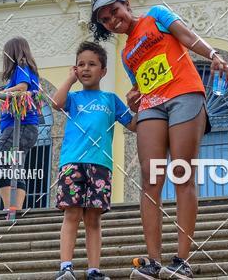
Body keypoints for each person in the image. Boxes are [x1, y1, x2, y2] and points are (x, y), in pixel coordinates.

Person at [90, 0, 228, 280]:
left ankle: (181, 260)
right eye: (105, 21)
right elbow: (141, 85)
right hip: (153, 105)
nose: (113, 21)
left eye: (115, 12)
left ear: (126, 5)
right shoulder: (126, 53)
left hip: (184, 95)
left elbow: (189, 38)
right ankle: (153, 261)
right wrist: (133, 98)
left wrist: (213, 54)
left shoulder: (157, 15)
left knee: (182, 173)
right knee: (150, 178)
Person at [52, 41, 137, 280]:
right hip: (72, 163)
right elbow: (56, 103)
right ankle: (65, 267)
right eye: (81, 64)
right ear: (75, 69)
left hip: (101, 165)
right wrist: (69, 79)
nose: (86, 69)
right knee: (72, 215)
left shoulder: (110, 99)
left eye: (92, 64)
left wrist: (139, 105)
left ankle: (93, 270)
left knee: (93, 218)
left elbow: (132, 124)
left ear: (103, 71)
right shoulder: (73, 97)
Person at [0, 36, 40, 214]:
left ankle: (9, 208)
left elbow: (22, 88)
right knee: (15, 168)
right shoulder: (26, 69)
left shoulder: (21, 66)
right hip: (23, 128)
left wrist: (2, 93)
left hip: (20, 127)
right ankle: (15, 209)